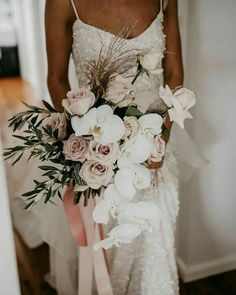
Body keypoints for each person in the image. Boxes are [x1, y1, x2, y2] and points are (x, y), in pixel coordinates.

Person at [43, 0, 183, 294]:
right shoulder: (62, 2)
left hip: (154, 145)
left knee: (154, 243)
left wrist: (160, 141)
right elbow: (56, 77)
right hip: (99, 155)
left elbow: (173, 75)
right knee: (105, 244)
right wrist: (85, 138)